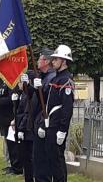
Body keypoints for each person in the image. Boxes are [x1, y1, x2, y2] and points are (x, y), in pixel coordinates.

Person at [43, 45, 74, 182]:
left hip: (57, 128)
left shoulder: (66, 80)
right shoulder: (56, 78)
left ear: (64, 61)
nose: (53, 61)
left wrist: (62, 130)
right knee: (51, 160)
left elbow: (67, 109)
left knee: (58, 161)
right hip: (51, 125)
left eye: (56, 59)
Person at [0, 67, 23, 175]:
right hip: (2, 118)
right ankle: (12, 165)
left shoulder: (7, 83)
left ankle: (17, 168)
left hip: (9, 118)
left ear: (0, 75)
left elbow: (12, 99)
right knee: (8, 143)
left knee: (13, 144)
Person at [32, 47, 57, 182]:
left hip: (45, 123)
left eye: (40, 58)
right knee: (38, 159)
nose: (37, 61)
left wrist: (42, 123)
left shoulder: (51, 78)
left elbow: (47, 103)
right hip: (37, 121)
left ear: (46, 61)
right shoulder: (42, 77)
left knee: (43, 160)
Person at [14, 72, 35, 182]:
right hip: (22, 128)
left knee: (29, 158)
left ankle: (29, 179)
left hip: (27, 130)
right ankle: (27, 178)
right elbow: (19, 112)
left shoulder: (29, 95)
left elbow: (27, 113)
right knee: (24, 157)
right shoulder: (22, 94)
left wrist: (21, 128)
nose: (19, 84)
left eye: (21, 81)